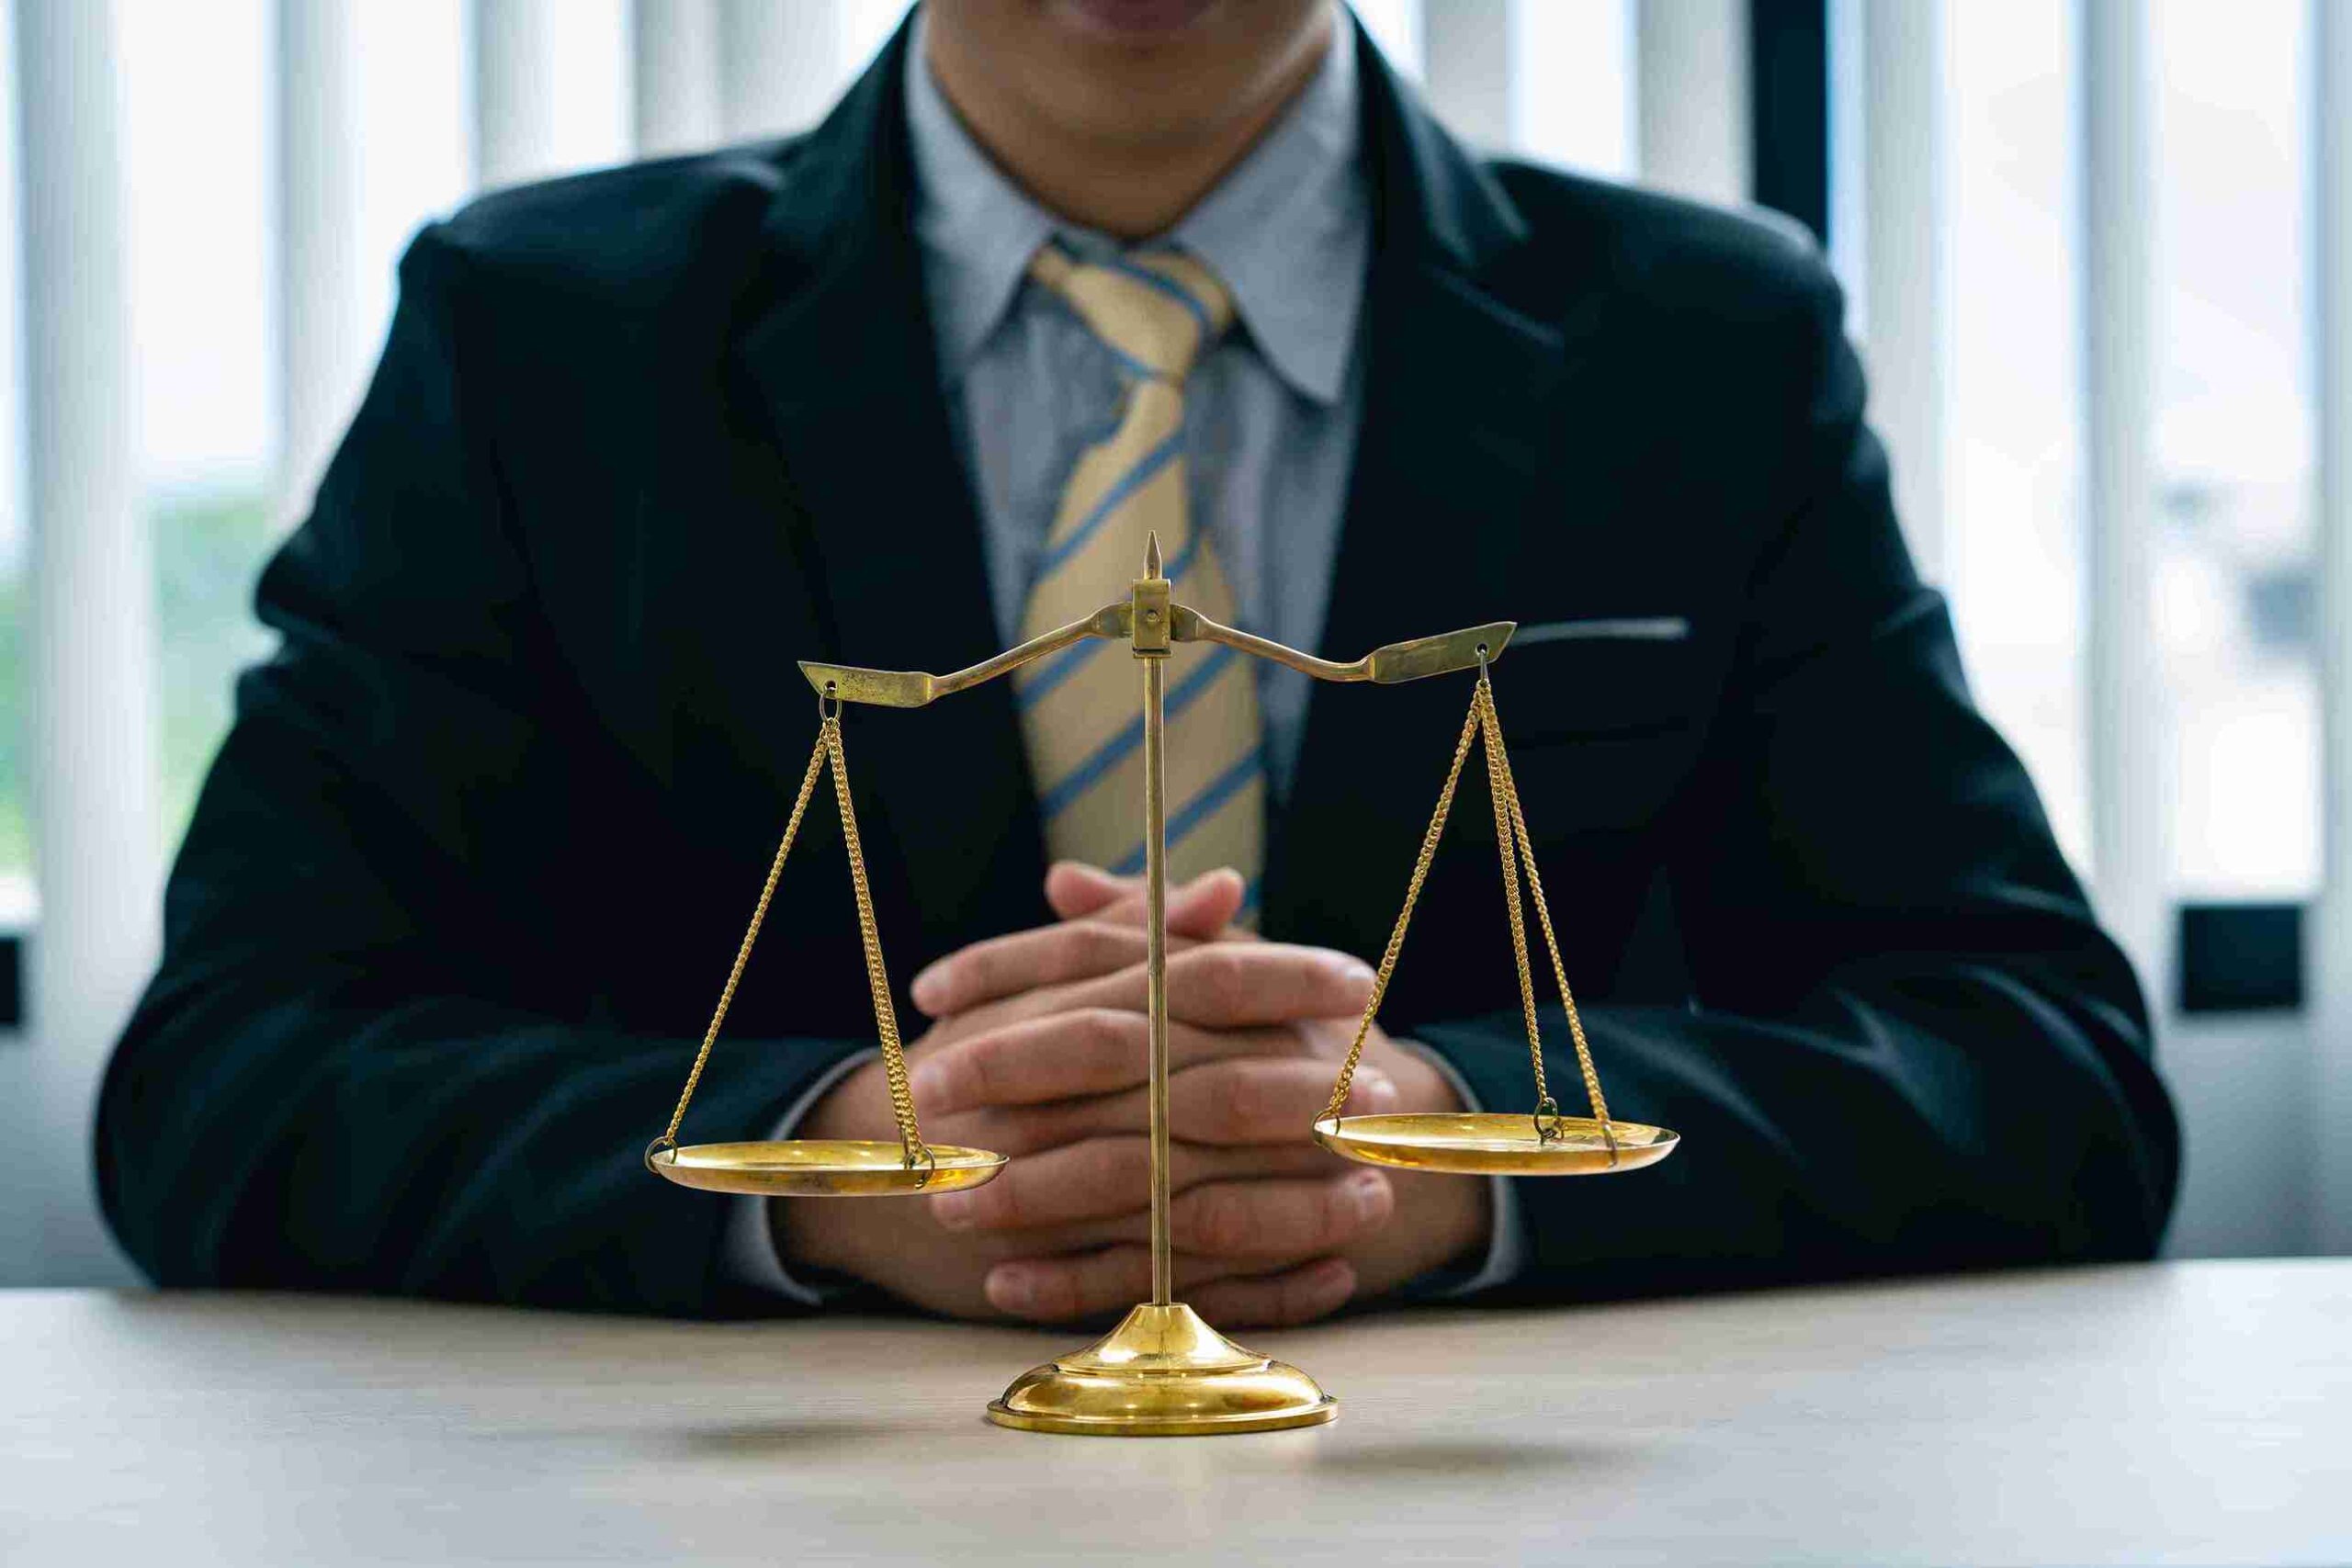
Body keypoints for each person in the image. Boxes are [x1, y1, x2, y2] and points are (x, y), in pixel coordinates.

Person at [96, 0, 2179, 1324]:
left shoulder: (1698, 342)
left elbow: (2044, 1062)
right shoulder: (542, 337)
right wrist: (840, 1161)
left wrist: (1439, 1145)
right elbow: (221, 1075)